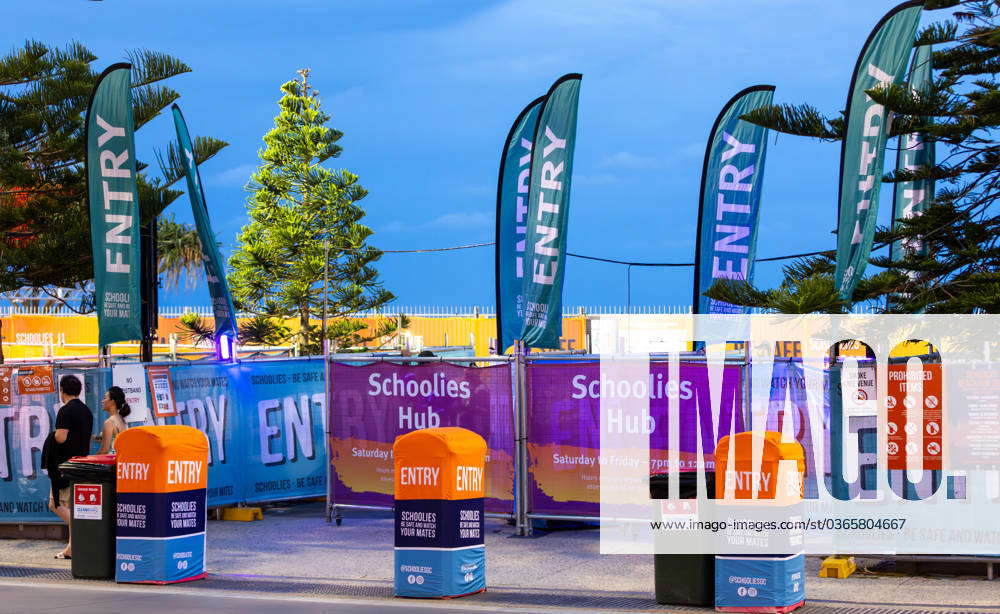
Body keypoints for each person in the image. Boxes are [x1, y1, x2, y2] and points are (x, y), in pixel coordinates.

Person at [46, 375, 93, 560]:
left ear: (62, 391)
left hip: (65, 465)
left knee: (55, 503)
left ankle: (82, 532)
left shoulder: (66, 411)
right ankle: (71, 548)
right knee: (72, 505)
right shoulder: (86, 410)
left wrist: (52, 436)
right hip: (82, 463)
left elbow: (60, 437)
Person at [94, 386, 130, 455]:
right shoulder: (121, 419)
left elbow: (104, 450)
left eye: (104, 398)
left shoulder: (109, 422)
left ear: (112, 401)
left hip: (111, 462)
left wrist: (92, 460)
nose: (102, 401)